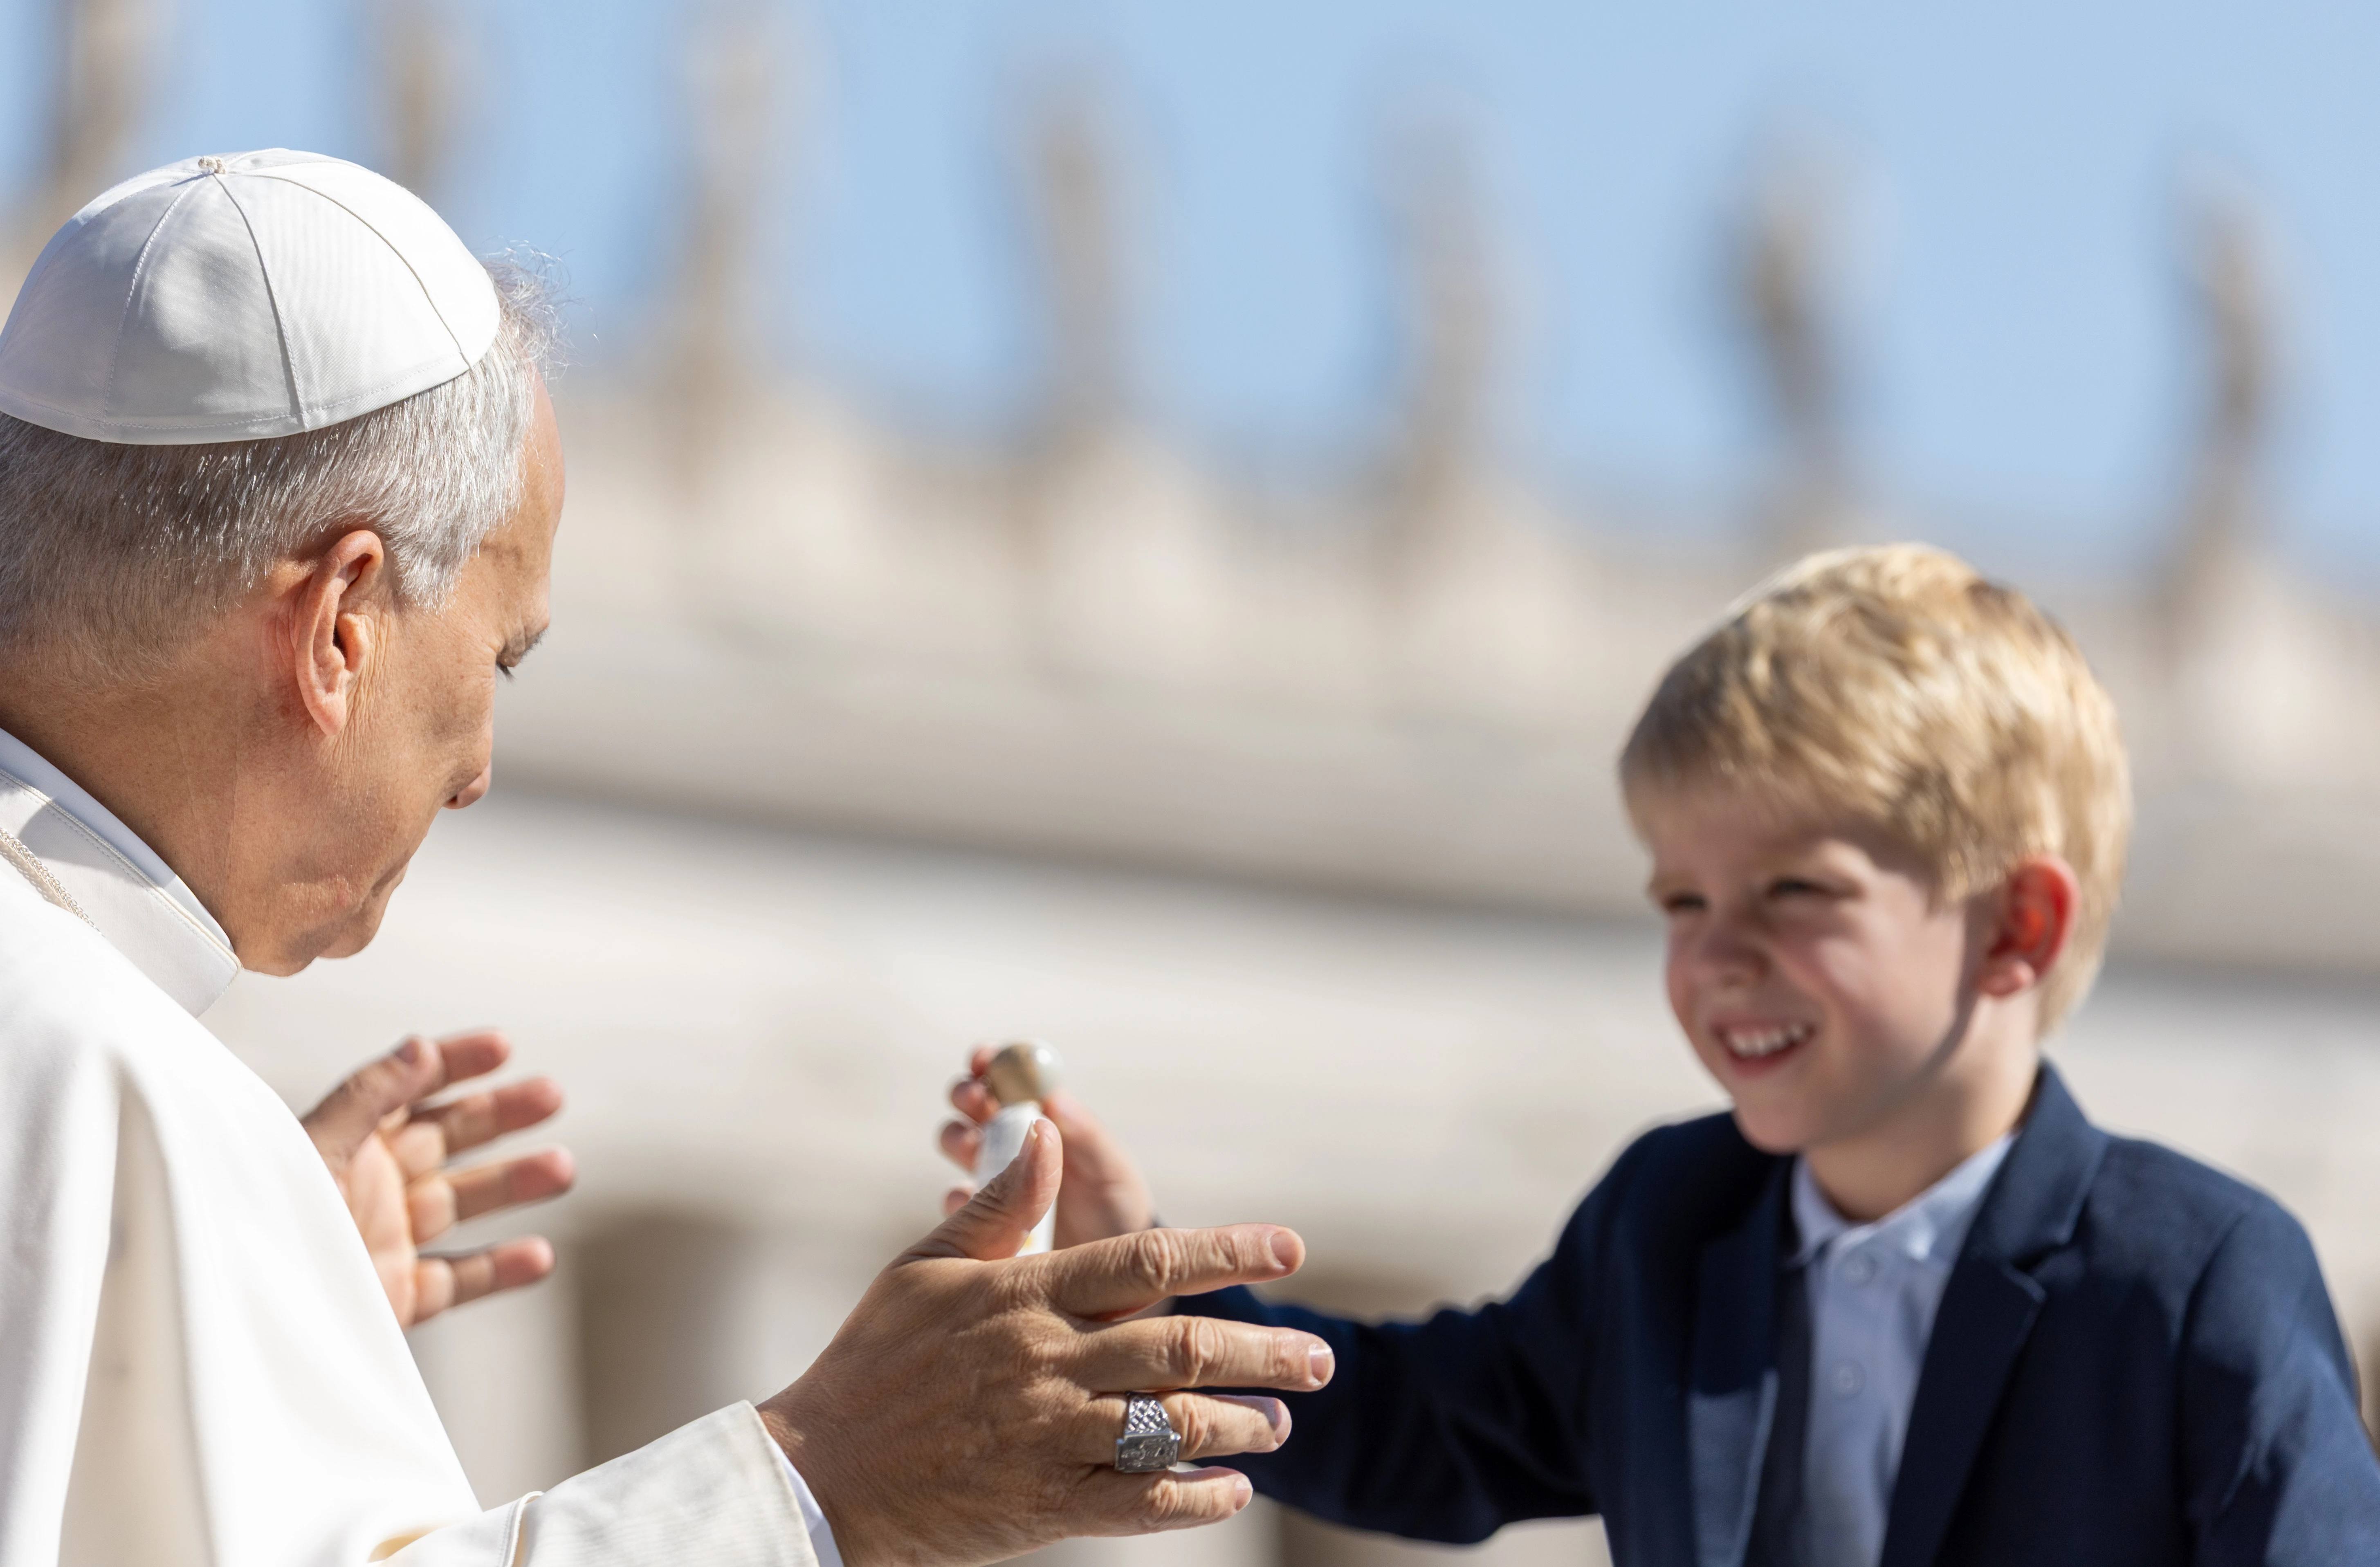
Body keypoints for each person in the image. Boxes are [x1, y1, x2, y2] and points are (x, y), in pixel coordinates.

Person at [0, 149, 1337, 1567]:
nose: (478, 773)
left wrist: (229, 1299)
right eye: (500, 659)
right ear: (343, 625)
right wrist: (829, 1476)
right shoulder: (103, 1073)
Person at [943, 543, 2380, 1565]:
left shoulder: (2195, 1278)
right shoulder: (1668, 1226)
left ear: (2015, 926)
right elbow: (1405, 1434)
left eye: (1792, 894)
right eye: (1682, 903)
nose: (1715, 957)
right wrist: (1143, 1276)